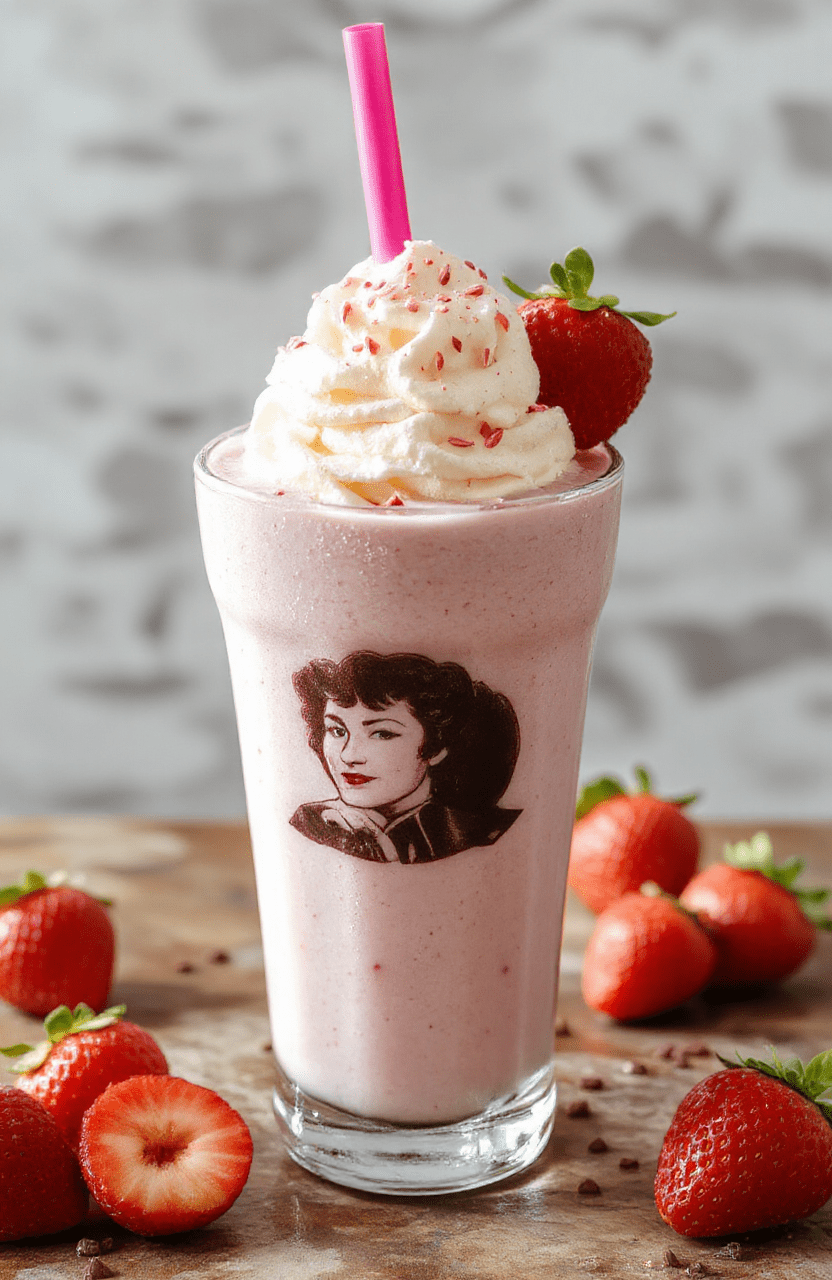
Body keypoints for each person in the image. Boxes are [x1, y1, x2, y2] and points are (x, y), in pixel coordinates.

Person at [290, 651, 522, 864]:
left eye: (382, 734)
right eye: (337, 731)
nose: (349, 755)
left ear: (437, 746)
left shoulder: (480, 831)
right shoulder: (311, 823)